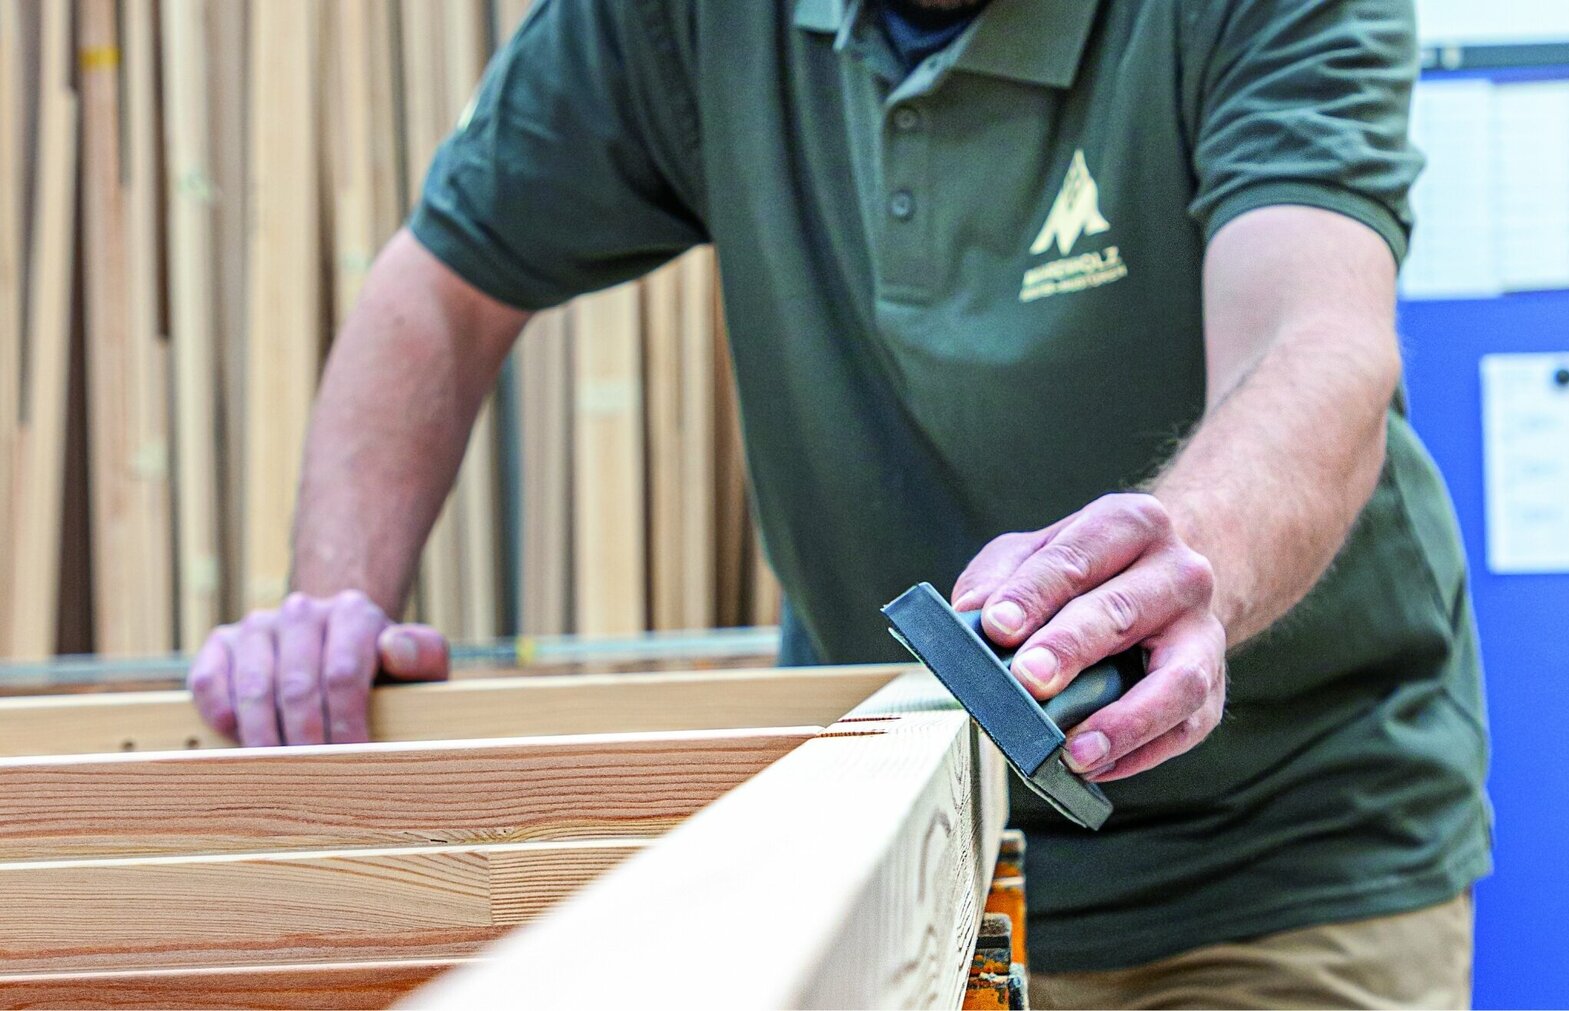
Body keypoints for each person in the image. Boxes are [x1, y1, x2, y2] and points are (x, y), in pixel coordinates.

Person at [188, 0, 1491, 1006]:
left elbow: (1317, 347)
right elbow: (442, 284)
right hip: (888, 842)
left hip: (1283, 847)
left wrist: (1185, 554)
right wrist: (336, 612)